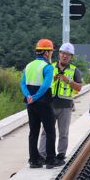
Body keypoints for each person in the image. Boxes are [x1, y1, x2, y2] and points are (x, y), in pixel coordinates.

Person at [38, 42, 83, 165]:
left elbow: (79, 87)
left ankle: (61, 154)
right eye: (63, 53)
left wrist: (69, 81)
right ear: (59, 54)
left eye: (68, 55)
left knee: (63, 132)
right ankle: (42, 154)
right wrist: (52, 79)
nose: (65, 56)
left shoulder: (74, 70)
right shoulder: (49, 67)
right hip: (50, 105)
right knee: (46, 131)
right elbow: (42, 83)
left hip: (65, 106)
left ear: (71, 57)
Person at [21, 38, 60, 169]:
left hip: (31, 104)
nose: (51, 54)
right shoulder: (47, 67)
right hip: (44, 103)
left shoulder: (29, 66)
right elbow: (46, 85)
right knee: (50, 131)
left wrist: (29, 96)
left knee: (33, 132)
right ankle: (50, 160)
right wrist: (36, 96)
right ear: (46, 53)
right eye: (51, 52)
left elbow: (22, 83)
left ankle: (33, 160)